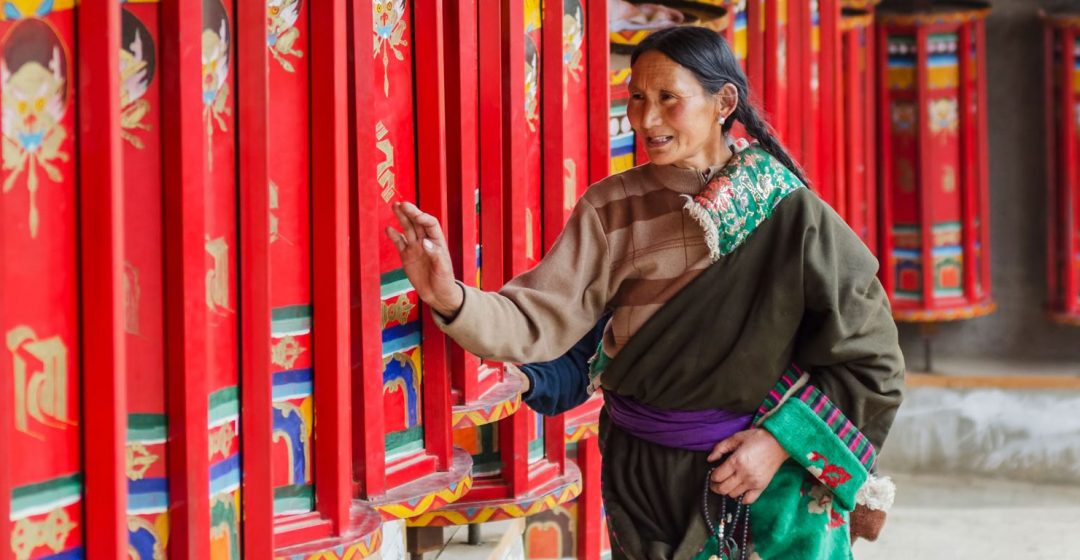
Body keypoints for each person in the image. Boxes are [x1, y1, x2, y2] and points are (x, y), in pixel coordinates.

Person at [387, 25, 904, 560]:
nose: (646, 119)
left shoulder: (788, 212)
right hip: (641, 476)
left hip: (757, 481)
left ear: (723, 101)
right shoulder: (611, 208)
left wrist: (779, 443)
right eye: (636, 97)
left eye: (667, 99)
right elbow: (535, 317)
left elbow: (875, 361)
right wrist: (450, 297)